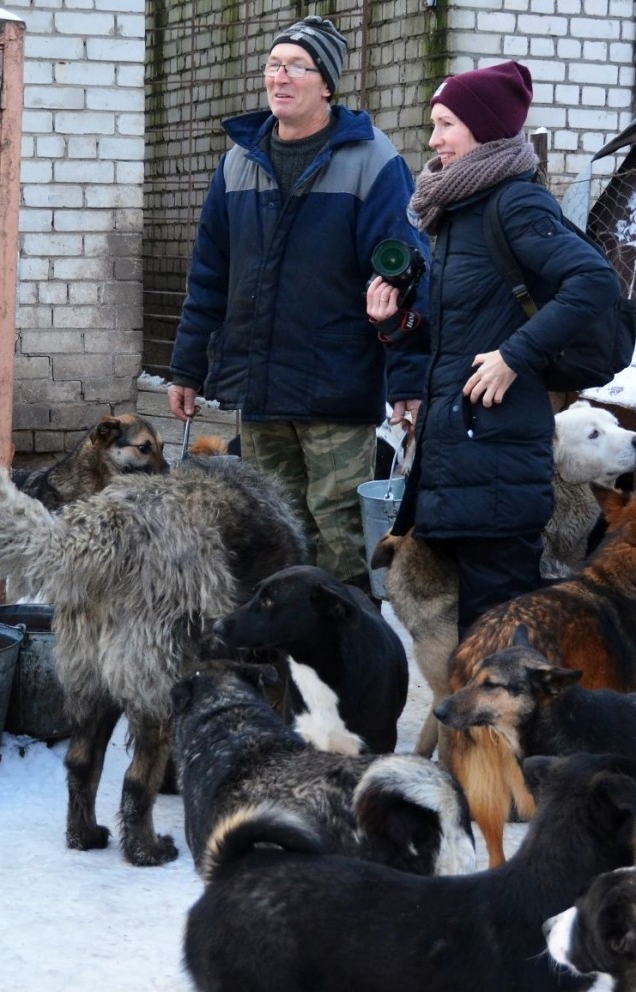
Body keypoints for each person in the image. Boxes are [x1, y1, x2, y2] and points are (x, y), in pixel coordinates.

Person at [167, 16, 429, 591]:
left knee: (339, 532)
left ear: (327, 83)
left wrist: (407, 376)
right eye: (273, 65)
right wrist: (187, 366)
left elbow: (405, 278)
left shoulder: (372, 161)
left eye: (296, 67)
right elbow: (209, 275)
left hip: (334, 382)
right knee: (271, 528)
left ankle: (348, 658)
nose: (279, 77)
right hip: (261, 385)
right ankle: (280, 662)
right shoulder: (239, 161)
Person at [368, 61, 619, 634]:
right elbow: (457, 338)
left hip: (498, 460)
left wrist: (515, 356)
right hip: (460, 457)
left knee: (498, 655)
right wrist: (398, 323)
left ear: (482, 128)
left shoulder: (514, 203)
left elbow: (595, 282)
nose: (433, 140)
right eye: (433, 125)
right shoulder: (458, 212)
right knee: (472, 651)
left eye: (446, 124)